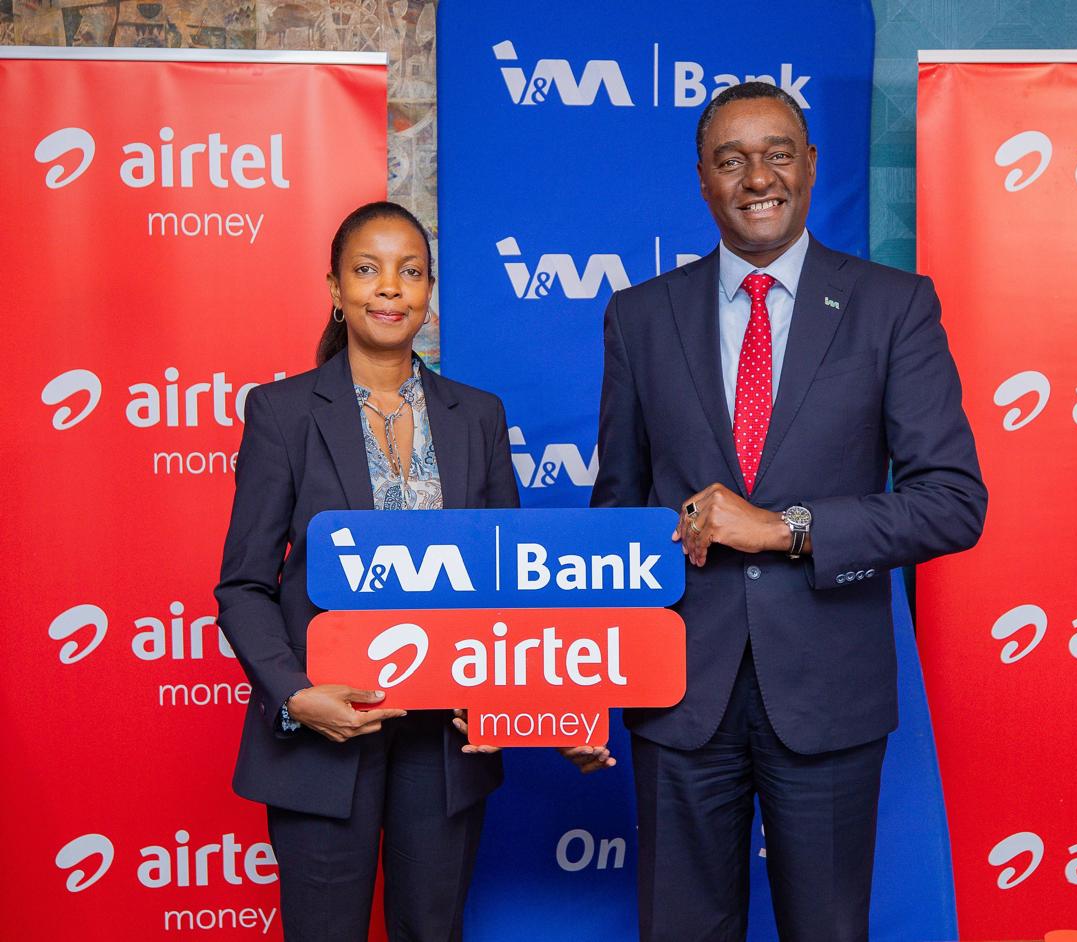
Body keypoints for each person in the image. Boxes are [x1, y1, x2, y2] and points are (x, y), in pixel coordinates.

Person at [590, 83, 987, 941]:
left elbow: (954, 503)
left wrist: (785, 527)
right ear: (702, 180)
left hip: (829, 689)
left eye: (777, 154)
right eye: (731, 160)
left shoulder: (893, 305)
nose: (757, 177)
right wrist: (589, 686)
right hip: (678, 695)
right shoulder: (640, 317)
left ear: (810, 165)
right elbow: (615, 516)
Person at [215, 201, 519, 941]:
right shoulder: (283, 412)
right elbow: (244, 585)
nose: (389, 287)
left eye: (410, 272)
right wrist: (296, 696)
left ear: (429, 292)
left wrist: (520, 701)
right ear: (335, 288)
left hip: (444, 741)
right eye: (366, 269)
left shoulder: (478, 416)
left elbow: (509, 579)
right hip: (323, 735)